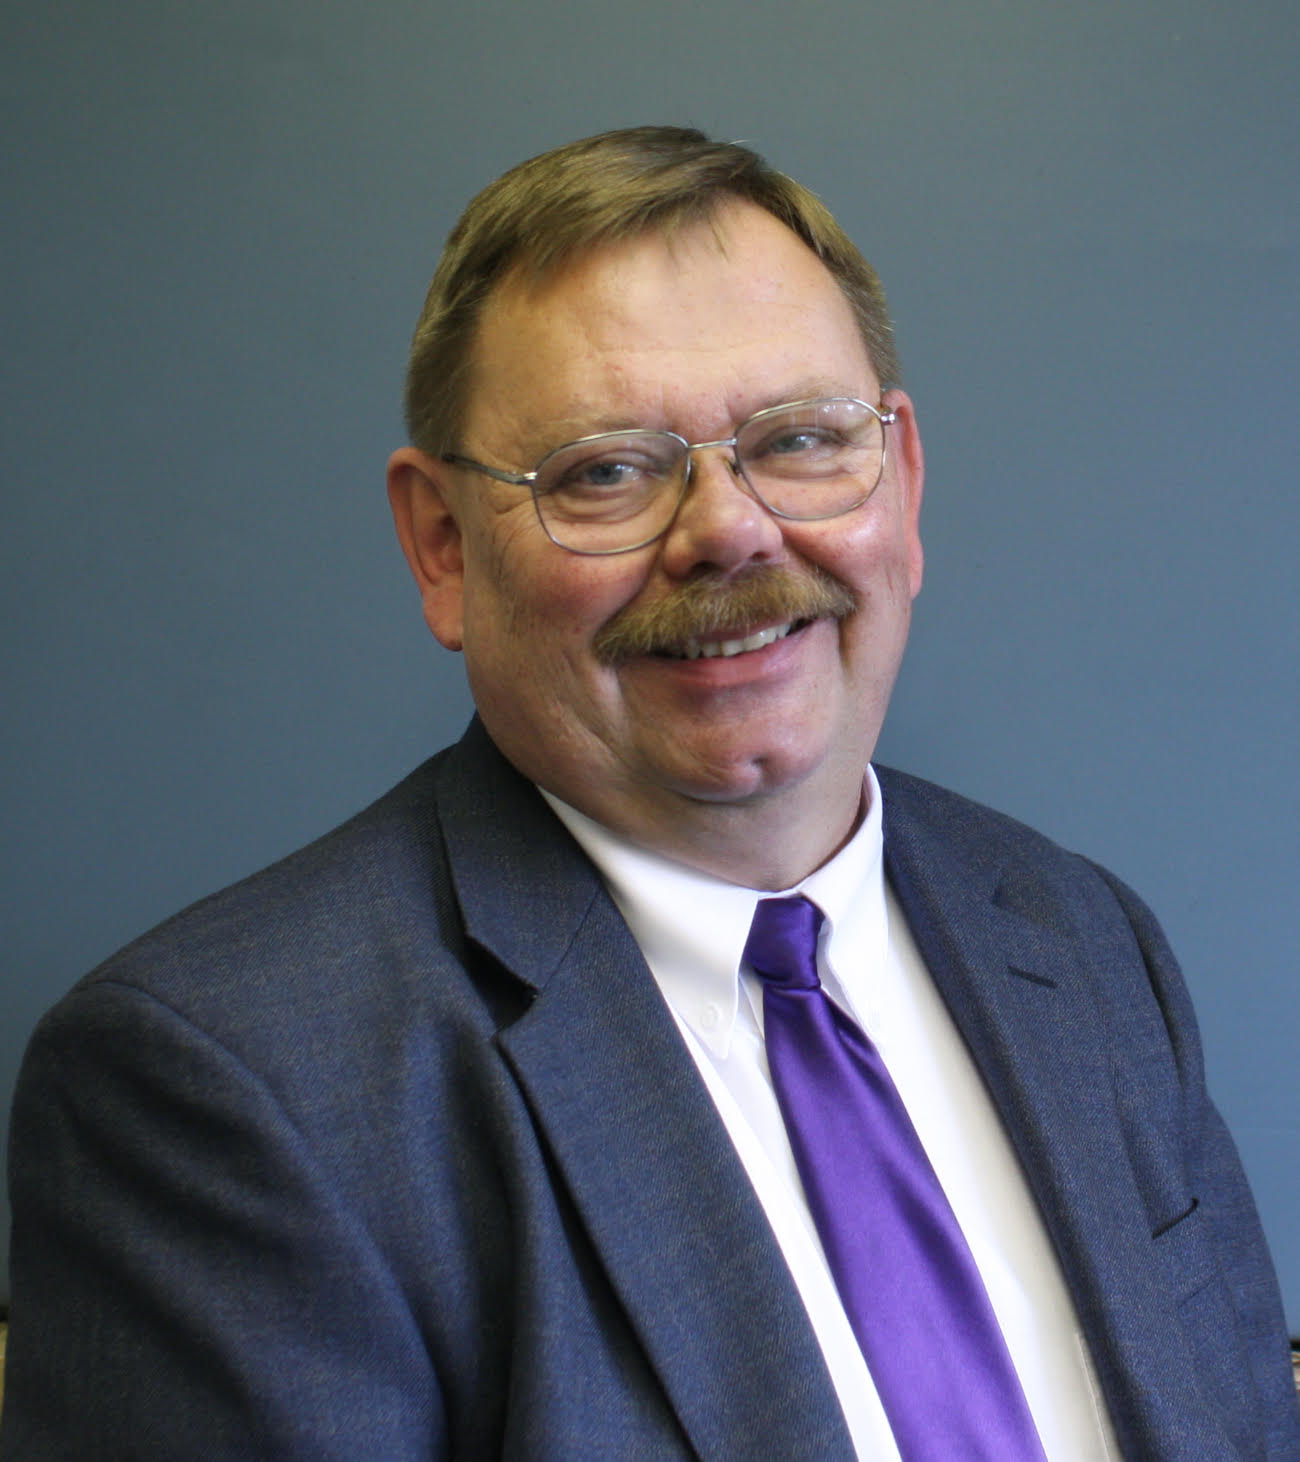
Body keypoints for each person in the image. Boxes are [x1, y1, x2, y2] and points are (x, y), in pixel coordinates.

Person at [2, 125, 1296, 1461]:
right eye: (606, 470)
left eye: (800, 438)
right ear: (443, 548)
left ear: (902, 486)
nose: (728, 529)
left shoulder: (1084, 947)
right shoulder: (231, 1092)